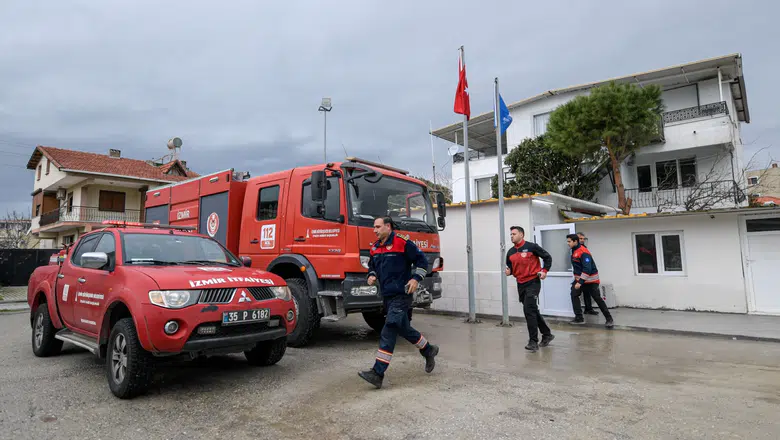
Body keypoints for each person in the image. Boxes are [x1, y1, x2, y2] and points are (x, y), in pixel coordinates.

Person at [358, 216, 439, 389]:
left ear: (388, 227)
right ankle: (428, 350)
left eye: (378, 227)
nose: (375, 230)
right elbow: (372, 265)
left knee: (389, 329)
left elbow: (422, 261)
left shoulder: (402, 243)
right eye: (374, 227)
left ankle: (377, 373)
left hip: (402, 295)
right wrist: (371, 274)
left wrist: (416, 278)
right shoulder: (375, 247)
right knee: (404, 328)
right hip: (387, 296)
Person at [504, 226, 554, 352]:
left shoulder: (532, 247)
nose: (511, 236)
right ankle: (547, 334)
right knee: (532, 310)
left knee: (528, 310)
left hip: (533, 282)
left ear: (521, 234)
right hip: (520, 284)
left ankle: (533, 341)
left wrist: (544, 271)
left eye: (514, 234)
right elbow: (510, 268)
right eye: (510, 234)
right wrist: (509, 271)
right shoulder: (510, 252)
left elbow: (547, 257)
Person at [566, 234, 614, 328]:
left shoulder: (583, 252)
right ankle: (579, 318)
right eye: (567, 241)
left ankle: (609, 319)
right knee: (574, 294)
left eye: (569, 241)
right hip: (580, 280)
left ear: (575, 241)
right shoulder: (574, 250)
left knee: (597, 299)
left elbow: (587, 269)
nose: (568, 243)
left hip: (591, 281)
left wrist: (580, 282)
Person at [576, 232, 598, 316]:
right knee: (576, 294)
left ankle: (588, 309)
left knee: (587, 293)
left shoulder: (584, 248)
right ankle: (578, 314)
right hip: (579, 275)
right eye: (580, 238)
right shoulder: (575, 249)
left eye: (583, 239)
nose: (582, 240)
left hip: (586, 275)